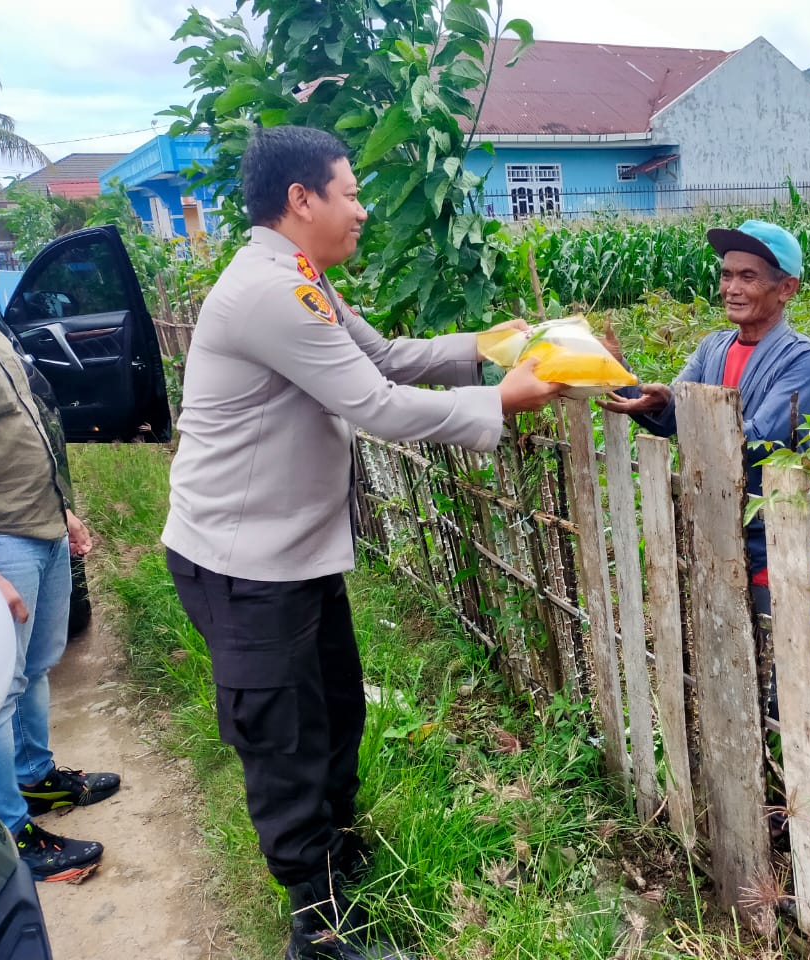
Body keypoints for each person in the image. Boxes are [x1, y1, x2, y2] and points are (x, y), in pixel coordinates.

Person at [161, 126, 563, 960]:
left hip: (291, 552)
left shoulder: (301, 278)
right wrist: (503, 402)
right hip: (243, 565)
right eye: (349, 193)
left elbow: (381, 353)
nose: (362, 209)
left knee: (337, 707)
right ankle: (319, 931)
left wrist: (490, 347)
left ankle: (334, 865)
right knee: (286, 738)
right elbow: (376, 402)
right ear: (301, 200)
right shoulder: (272, 292)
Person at [0, 209, 121, 883]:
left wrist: (65, 509)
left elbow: (25, 426)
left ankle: (35, 779)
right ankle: (4, 840)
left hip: (39, 524)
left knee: (38, 664)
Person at [600, 219, 810, 614]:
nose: (732, 289)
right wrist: (620, 377)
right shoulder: (713, 347)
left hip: (767, 541)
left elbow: (760, 439)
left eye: (748, 277)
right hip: (712, 528)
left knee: (776, 661)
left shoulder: (805, 359)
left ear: (786, 288)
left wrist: (676, 406)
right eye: (726, 275)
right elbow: (669, 414)